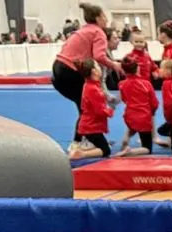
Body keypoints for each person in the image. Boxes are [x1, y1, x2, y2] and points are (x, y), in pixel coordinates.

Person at [53, 2, 120, 152]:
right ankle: (78, 142)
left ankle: (89, 138)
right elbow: (99, 56)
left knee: (85, 106)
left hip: (59, 68)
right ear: (97, 18)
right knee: (86, 109)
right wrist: (114, 65)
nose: (106, 20)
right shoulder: (98, 32)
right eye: (104, 16)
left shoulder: (84, 30)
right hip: (69, 70)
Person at [69, 60, 114, 159]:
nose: (100, 68)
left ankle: (83, 147)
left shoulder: (90, 84)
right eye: (98, 66)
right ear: (94, 71)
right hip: (91, 127)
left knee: (101, 144)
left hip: (90, 125)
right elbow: (99, 111)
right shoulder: (93, 89)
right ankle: (82, 153)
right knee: (106, 150)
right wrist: (110, 110)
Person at [116, 56, 157, 155]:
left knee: (133, 126)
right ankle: (130, 151)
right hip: (144, 116)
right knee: (147, 149)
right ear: (138, 68)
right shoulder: (146, 84)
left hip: (129, 114)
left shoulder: (121, 84)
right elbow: (154, 102)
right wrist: (153, 112)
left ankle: (125, 138)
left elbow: (124, 99)